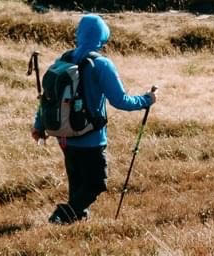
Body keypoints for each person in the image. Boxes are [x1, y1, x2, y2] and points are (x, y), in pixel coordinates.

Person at [35, 13, 155, 224]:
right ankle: (61, 217)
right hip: (92, 138)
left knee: (78, 184)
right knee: (96, 183)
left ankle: (75, 222)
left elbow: (48, 99)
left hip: (64, 136)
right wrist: (147, 100)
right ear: (103, 37)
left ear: (79, 34)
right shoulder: (102, 64)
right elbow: (121, 101)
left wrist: (39, 125)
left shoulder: (63, 59)